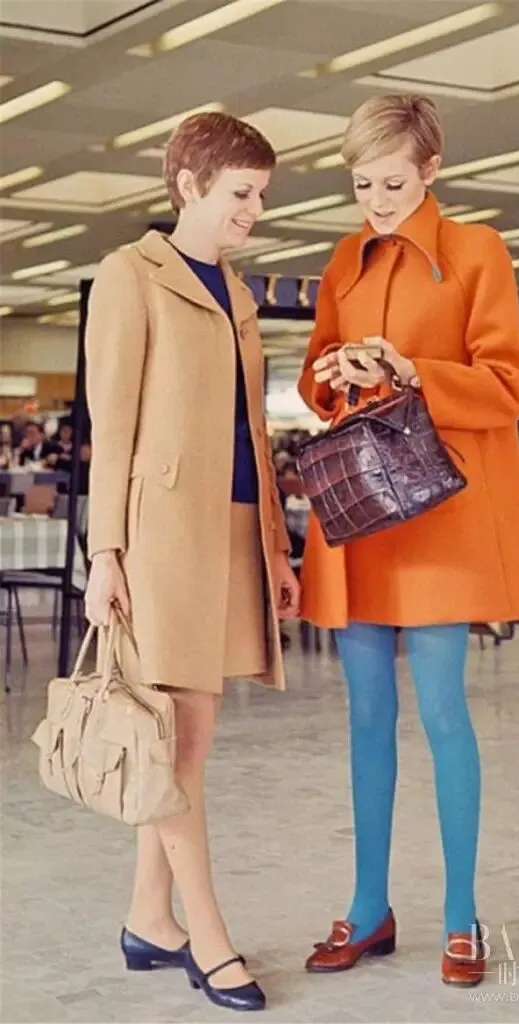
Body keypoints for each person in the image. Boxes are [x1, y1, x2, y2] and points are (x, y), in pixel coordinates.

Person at [298, 94, 519, 987]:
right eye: (362, 184)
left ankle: (459, 917)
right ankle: (369, 909)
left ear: (432, 170)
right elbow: (317, 379)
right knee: (366, 715)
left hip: (438, 512)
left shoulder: (478, 252)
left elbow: (507, 383)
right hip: (363, 514)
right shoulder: (342, 259)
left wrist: (410, 370)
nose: (375, 201)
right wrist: (335, 372)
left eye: (393, 184)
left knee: (444, 713)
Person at [84, 111, 300, 1013]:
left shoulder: (238, 293)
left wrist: (277, 546)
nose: (255, 209)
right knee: (175, 742)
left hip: (235, 531)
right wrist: (105, 552)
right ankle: (206, 936)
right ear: (190, 185)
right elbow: (111, 425)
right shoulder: (130, 275)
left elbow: (256, 434)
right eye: (242, 192)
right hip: (162, 536)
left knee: (186, 743)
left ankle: (148, 917)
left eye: (261, 194)